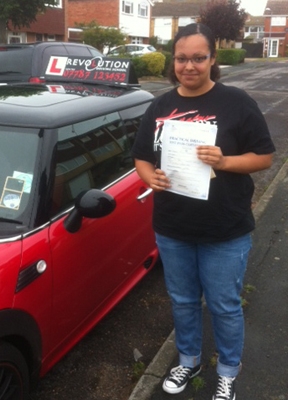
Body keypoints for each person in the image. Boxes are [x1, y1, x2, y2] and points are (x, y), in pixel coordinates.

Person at [131, 23, 275, 400]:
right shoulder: (161, 105)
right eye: (181, 58)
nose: (189, 66)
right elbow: (142, 158)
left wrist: (224, 161)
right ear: (172, 61)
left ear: (213, 59)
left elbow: (264, 157)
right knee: (181, 300)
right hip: (173, 227)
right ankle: (189, 358)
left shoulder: (237, 102)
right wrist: (152, 179)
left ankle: (228, 370)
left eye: (198, 58)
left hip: (225, 230)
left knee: (225, 305)